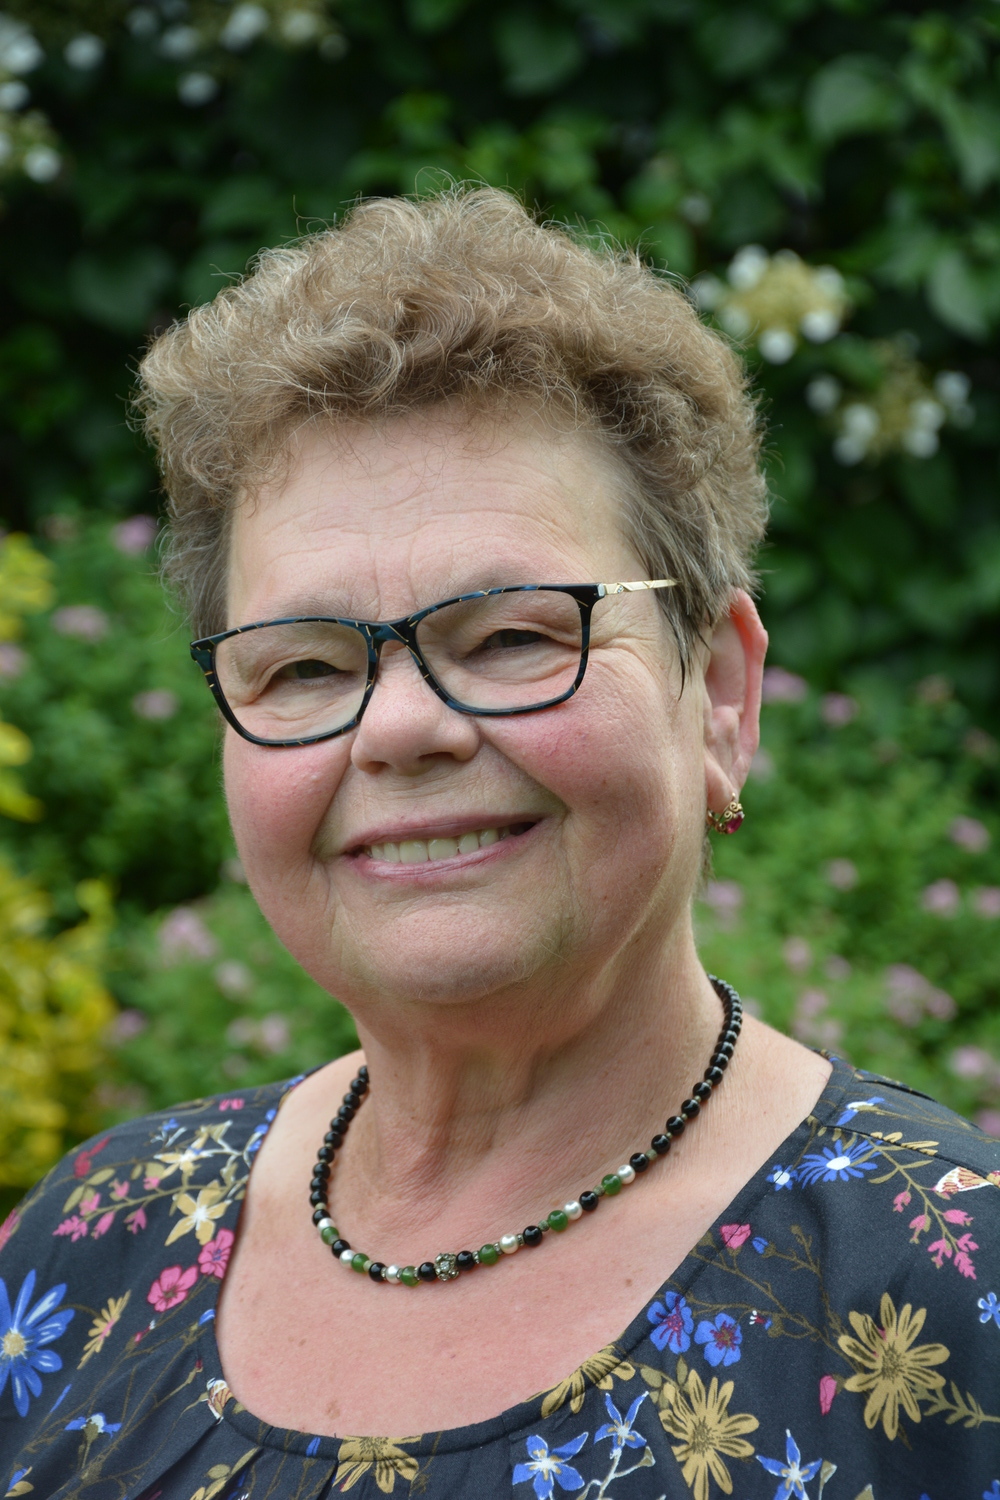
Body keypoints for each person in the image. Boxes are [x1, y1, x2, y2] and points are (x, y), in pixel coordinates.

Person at [2, 188, 998, 1500]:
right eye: (304, 666)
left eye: (515, 636)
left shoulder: (949, 1290)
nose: (400, 729)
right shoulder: (92, 1243)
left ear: (718, 694)